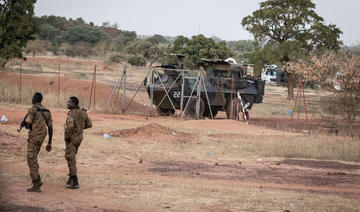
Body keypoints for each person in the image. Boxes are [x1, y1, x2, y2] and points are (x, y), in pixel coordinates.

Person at [25, 92, 53, 192]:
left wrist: (25, 124)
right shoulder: (47, 111)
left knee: (31, 159)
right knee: (34, 157)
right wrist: (49, 142)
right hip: (42, 137)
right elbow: (50, 127)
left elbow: (28, 125)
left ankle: (36, 183)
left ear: (34, 99)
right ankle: (38, 180)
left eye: (32, 98)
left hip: (34, 137)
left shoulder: (32, 109)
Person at [64, 96, 92, 189]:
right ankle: (71, 178)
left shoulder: (71, 113)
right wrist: (79, 129)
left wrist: (67, 136)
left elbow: (70, 126)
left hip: (71, 138)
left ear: (74, 104)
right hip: (79, 138)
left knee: (70, 158)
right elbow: (89, 124)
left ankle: (74, 180)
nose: (67, 103)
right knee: (71, 156)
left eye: (69, 102)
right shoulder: (83, 113)